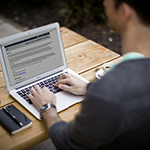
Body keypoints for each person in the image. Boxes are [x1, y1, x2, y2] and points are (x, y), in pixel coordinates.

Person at [28, 0, 150, 149]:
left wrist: (47, 108)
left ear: (125, 11)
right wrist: (88, 87)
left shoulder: (112, 90)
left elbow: (68, 143)